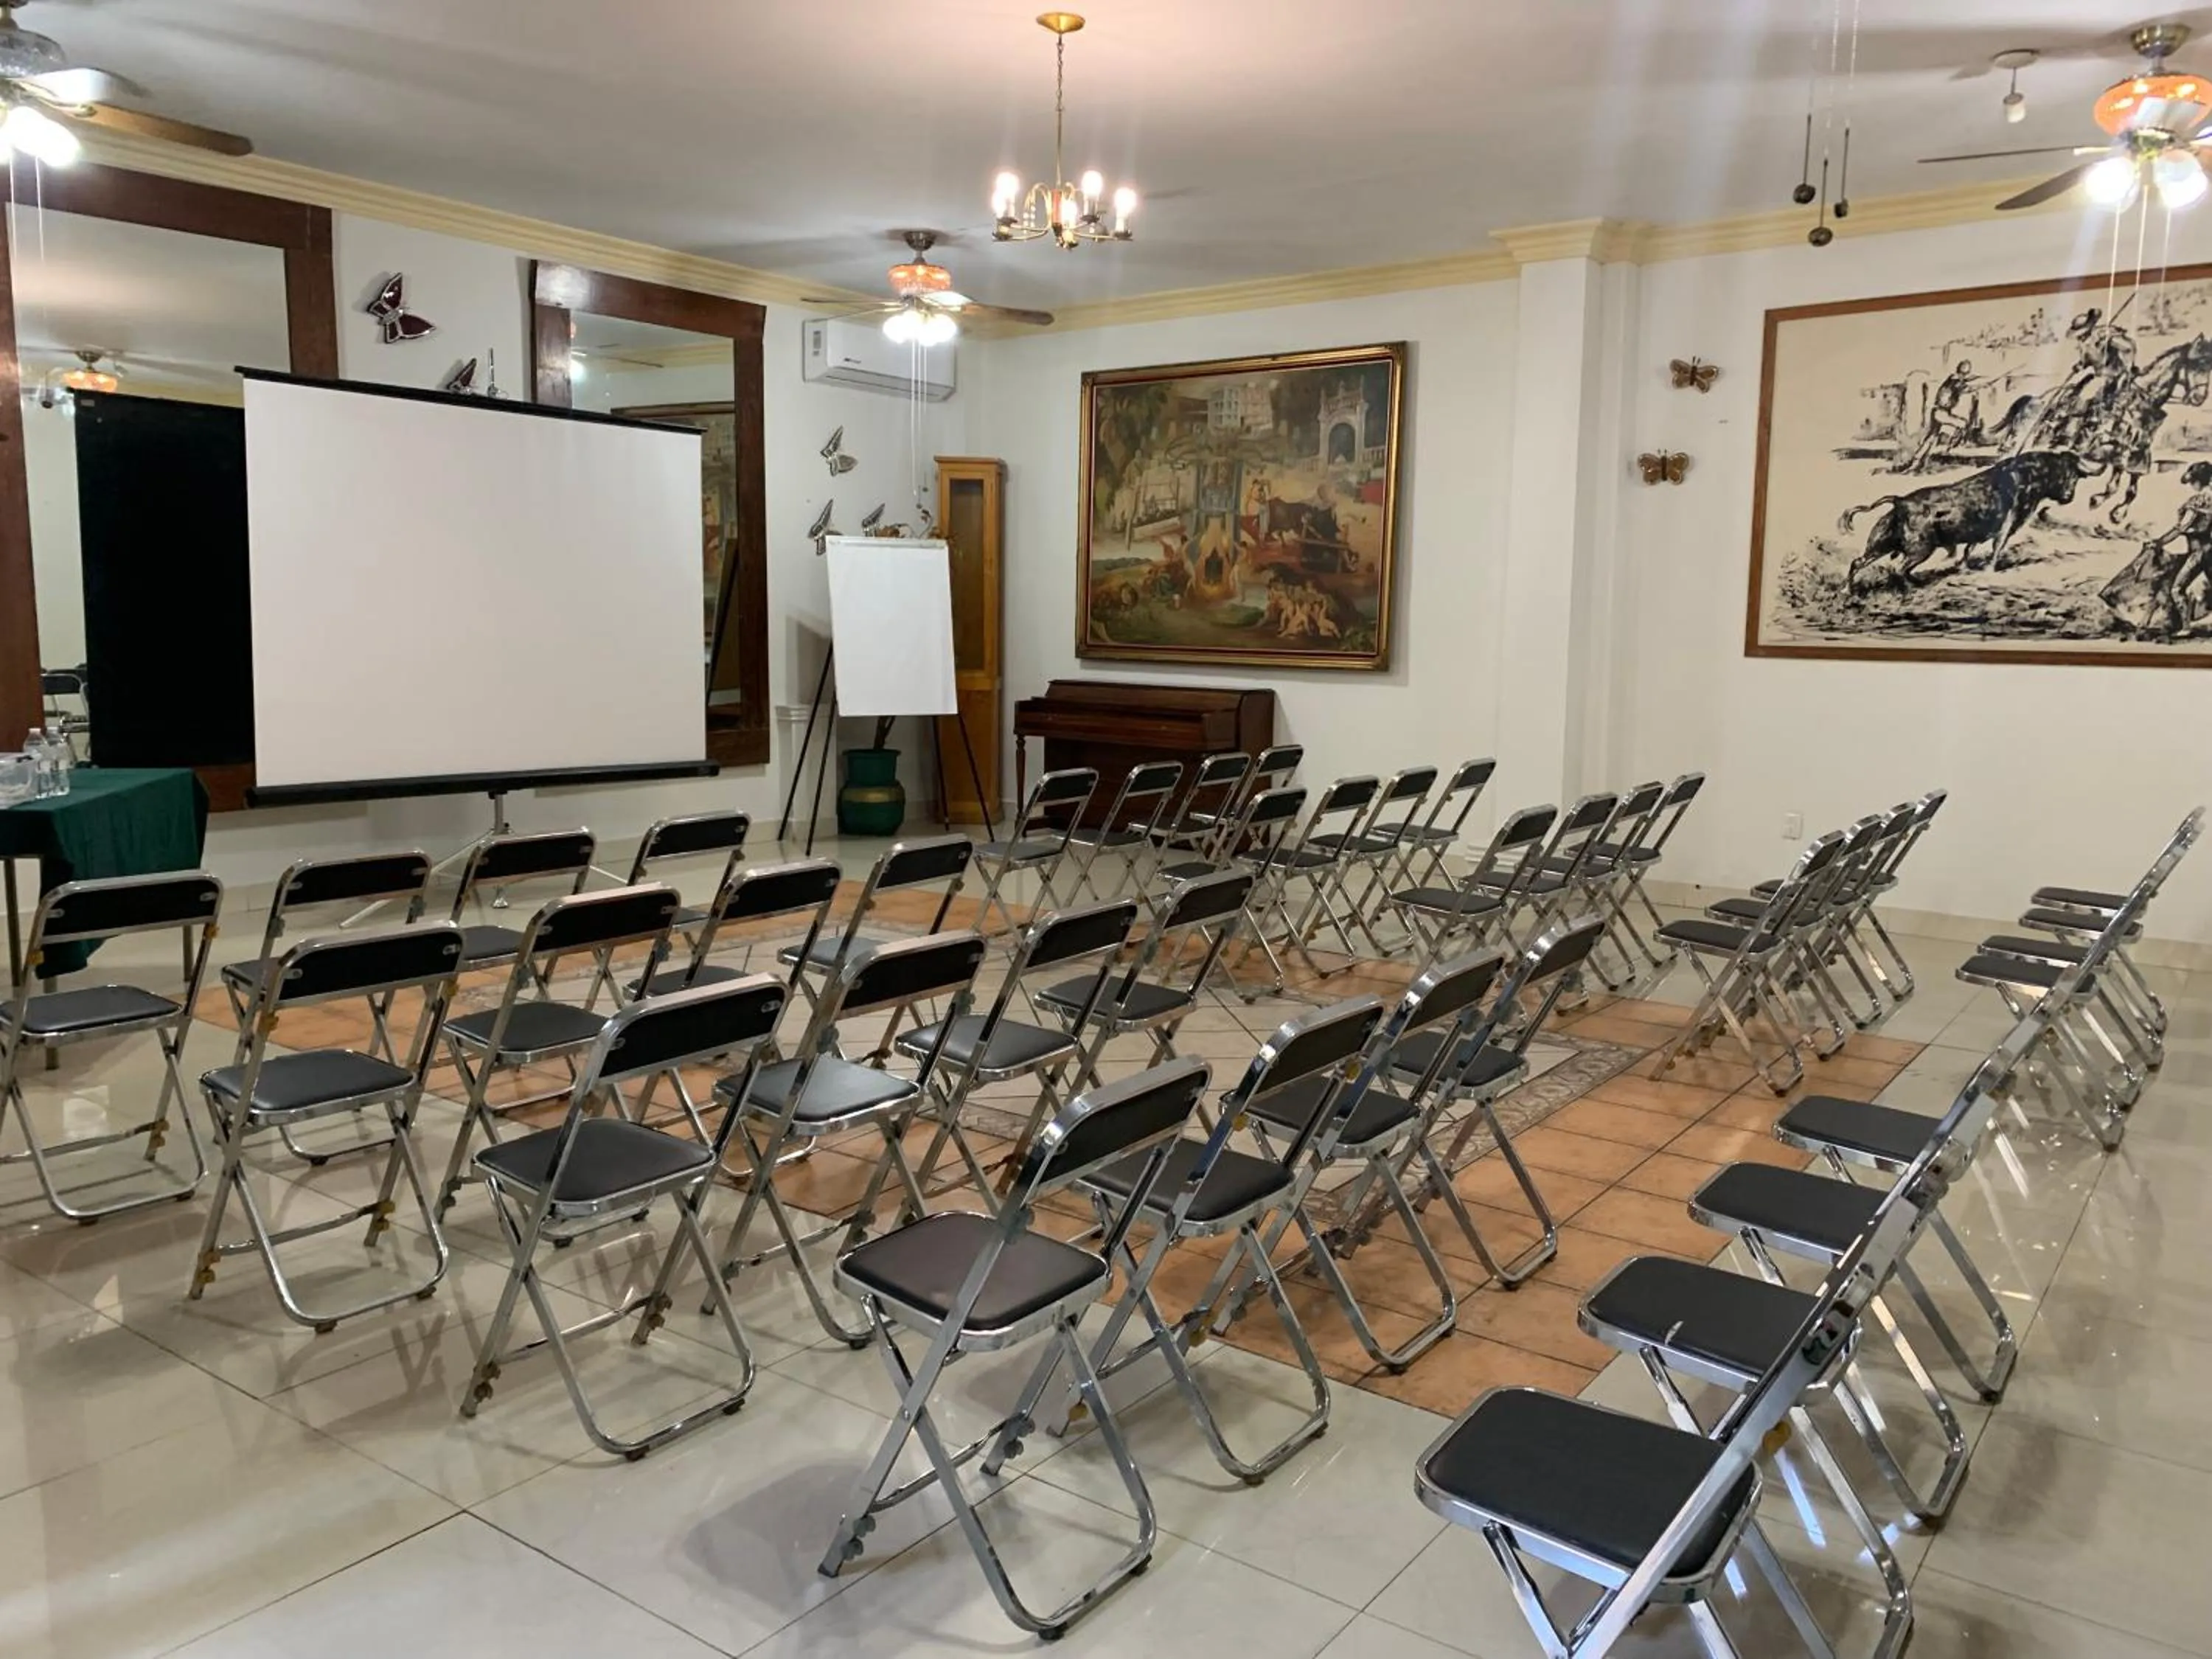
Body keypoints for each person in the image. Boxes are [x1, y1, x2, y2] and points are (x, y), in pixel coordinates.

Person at [2102, 458, 2212, 636]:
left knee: (2176, 589)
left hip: (2198, 553)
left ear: (2198, 481)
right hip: (2208, 550)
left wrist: (2160, 542)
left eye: (2193, 482)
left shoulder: (2197, 502)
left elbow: (2180, 529)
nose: (2192, 485)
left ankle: (2186, 628)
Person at [1901, 360, 1978, 472]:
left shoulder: (1954, 380)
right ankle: (1951, 446)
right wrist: (1980, 385)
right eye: (1966, 373)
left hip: (1938, 412)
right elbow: (1965, 386)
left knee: (1931, 439)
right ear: (1962, 372)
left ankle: (1916, 461)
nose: (1966, 376)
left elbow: (1966, 383)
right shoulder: (1955, 381)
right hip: (1941, 413)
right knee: (1963, 424)